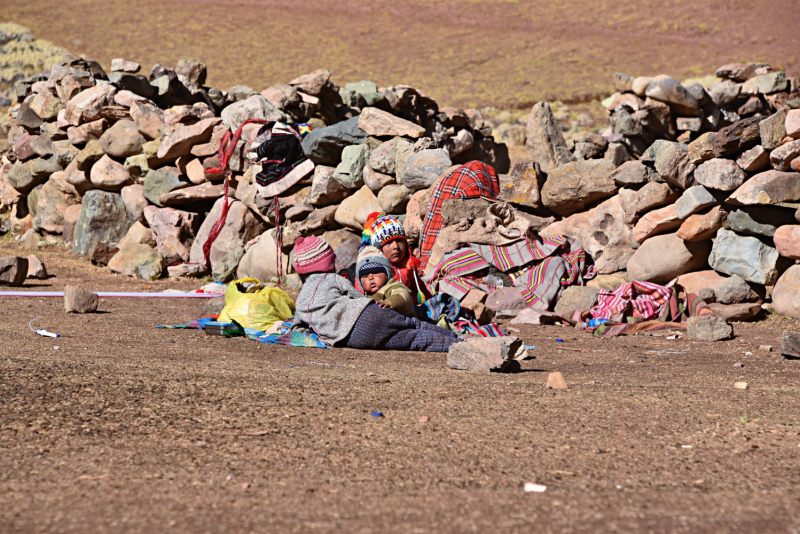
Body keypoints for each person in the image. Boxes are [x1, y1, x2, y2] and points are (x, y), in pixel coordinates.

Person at [291, 236, 461, 352]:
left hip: (355, 339)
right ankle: (460, 340)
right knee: (414, 324)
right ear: (328, 262)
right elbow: (357, 298)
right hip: (367, 314)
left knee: (414, 339)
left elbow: (297, 328)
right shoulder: (333, 279)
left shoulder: (301, 301)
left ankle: (456, 346)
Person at [362, 213, 432, 304]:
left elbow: (419, 288)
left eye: (399, 241)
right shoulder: (374, 270)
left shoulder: (409, 266)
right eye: (389, 242)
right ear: (379, 248)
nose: (395, 246)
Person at [356, 246, 415, 317]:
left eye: (375, 272)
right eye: (365, 276)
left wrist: (387, 303)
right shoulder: (365, 297)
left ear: (387, 274)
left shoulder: (392, 287)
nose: (370, 278)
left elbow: (404, 296)